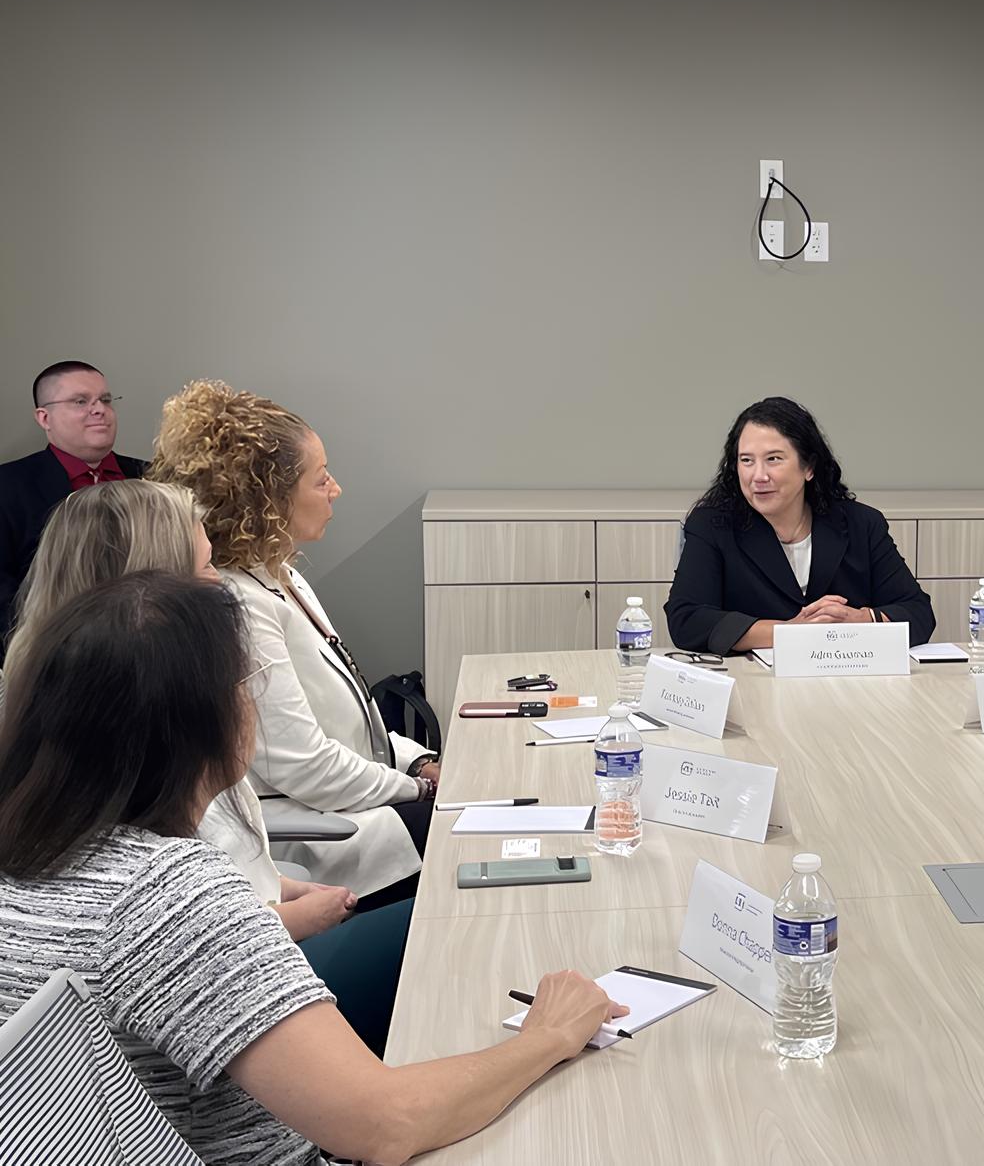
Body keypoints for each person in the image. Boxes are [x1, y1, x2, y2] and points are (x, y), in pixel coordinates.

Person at [0, 572, 625, 1165]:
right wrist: (548, 1036)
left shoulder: (35, 853)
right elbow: (383, 1125)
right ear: (207, 719)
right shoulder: (166, 896)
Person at [4, 479, 410, 1053]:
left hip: (240, 937)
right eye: (204, 568)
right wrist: (298, 916)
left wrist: (287, 892)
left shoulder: (44, 690)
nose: (221, 583)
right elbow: (176, 937)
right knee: (439, 934)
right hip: (234, 974)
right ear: (151, 588)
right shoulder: (150, 719)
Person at [152, 380, 436, 901]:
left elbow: (351, 728)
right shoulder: (238, 605)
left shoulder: (278, 574)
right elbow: (306, 766)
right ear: (268, 500)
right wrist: (419, 789)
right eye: (321, 479)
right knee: (471, 838)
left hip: (352, 801)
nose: (336, 490)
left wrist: (418, 761)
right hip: (320, 837)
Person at [667, 396, 935, 654]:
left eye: (773, 459)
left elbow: (918, 612)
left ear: (808, 467)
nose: (758, 476)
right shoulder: (712, 525)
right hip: (756, 684)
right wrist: (789, 632)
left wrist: (861, 620)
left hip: (847, 681)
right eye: (746, 460)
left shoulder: (860, 524)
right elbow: (687, 620)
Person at [0, 361, 151, 648]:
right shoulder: (8, 486)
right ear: (44, 418)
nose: (99, 409)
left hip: (153, 648)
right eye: (80, 401)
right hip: (49, 651)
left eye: (105, 400)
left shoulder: (151, 477)